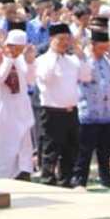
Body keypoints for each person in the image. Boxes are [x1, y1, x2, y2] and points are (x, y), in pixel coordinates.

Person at [34, 24, 81, 186]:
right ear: (51, 39)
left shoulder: (72, 60)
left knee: (70, 149)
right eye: (60, 39)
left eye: (67, 39)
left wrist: (81, 54)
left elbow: (86, 75)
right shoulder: (42, 60)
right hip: (52, 111)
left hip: (71, 111)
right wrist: (54, 53)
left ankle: (65, 180)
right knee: (51, 149)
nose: (64, 43)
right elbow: (46, 77)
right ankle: (47, 179)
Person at [74, 31, 110, 186]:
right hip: (89, 112)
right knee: (85, 151)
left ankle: (106, 177)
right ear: (92, 45)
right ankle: (80, 179)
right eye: (100, 48)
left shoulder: (108, 61)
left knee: (105, 150)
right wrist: (84, 57)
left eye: (105, 48)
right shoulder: (83, 60)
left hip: (108, 112)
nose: (103, 51)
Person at [0, 29, 36, 180]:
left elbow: (30, 80)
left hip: (21, 111)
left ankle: (23, 176)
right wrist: (8, 58)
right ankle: (0, 180)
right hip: (3, 110)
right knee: (1, 148)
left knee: (23, 150)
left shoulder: (22, 58)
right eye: (14, 47)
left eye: (20, 48)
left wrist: (30, 62)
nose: (17, 51)